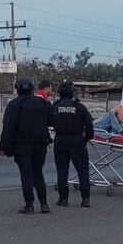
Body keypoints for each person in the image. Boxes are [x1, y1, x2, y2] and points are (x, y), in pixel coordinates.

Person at [0, 77, 52, 214]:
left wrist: (3, 146)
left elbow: (8, 127)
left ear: (17, 89)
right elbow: (53, 121)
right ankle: (44, 203)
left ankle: (29, 204)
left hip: (22, 145)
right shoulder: (43, 103)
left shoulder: (14, 104)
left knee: (26, 175)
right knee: (38, 173)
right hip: (41, 144)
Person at [51, 80, 94, 208]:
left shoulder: (55, 106)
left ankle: (63, 199)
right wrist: (85, 139)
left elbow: (49, 121)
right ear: (72, 92)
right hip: (76, 140)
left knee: (62, 170)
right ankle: (85, 199)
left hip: (60, 140)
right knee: (82, 170)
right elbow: (89, 126)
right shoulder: (79, 107)